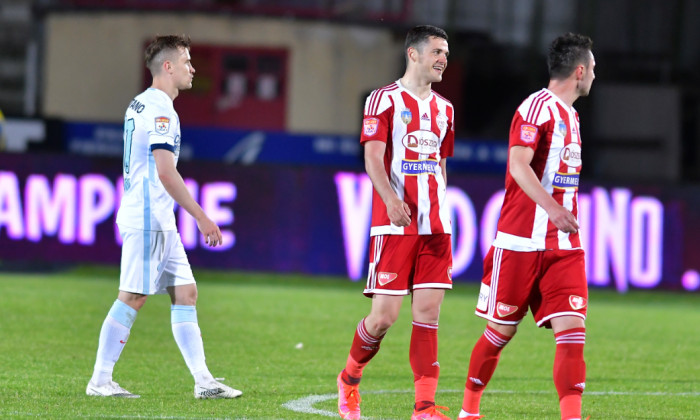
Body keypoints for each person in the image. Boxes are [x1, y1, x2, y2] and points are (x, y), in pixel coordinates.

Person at [86, 35, 242, 400]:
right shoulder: (160, 110)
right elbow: (166, 172)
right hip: (148, 215)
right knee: (132, 297)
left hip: (157, 216)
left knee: (185, 293)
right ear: (168, 66)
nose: (193, 69)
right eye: (187, 62)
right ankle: (100, 380)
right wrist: (203, 217)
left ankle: (204, 381)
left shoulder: (140, 103)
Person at [457, 33, 595, 420]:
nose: (595, 77)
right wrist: (552, 208)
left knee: (573, 332)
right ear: (580, 71)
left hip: (564, 246)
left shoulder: (572, 117)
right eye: (594, 69)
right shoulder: (535, 108)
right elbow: (519, 165)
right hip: (520, 242)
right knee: (500, 333)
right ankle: (469, 411)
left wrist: (559, 216)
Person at [336, 25, 455, 420]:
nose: (443, 59)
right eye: (437, 51)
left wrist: (442, 210)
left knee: (428, 315)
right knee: (384, 317)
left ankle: (424, 408)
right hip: (394, 225)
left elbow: (439, 164)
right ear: (413, 54)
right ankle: (349, 379)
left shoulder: (445, 109)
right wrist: (390, 200)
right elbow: (372, 158)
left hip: (435, 227)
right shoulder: (382, 100)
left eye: (446, 53)